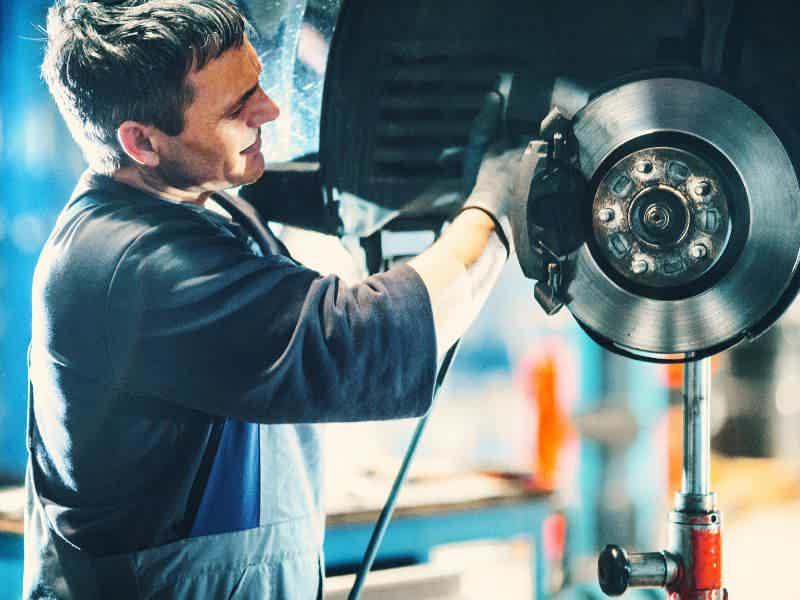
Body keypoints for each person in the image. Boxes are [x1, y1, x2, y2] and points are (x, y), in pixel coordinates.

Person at [26, 1, 525, 598]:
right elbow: (364, 342)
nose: (271, 109)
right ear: (141, 141)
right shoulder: (130, 264)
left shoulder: (198, 199)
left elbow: (321, 199)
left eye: (258, 82)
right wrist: (497, 200)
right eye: (239, 108)